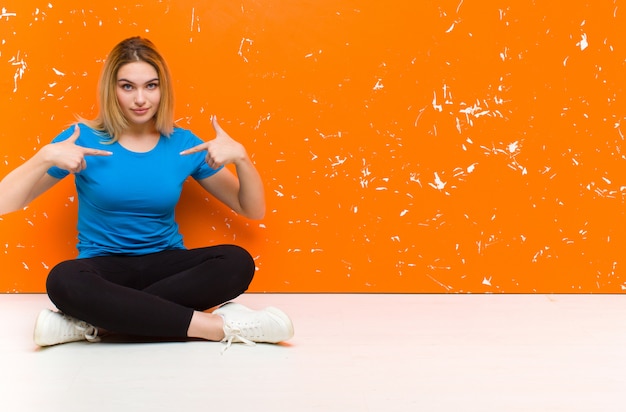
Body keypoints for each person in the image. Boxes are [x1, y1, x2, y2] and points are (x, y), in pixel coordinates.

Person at [0, 36, 293, 350]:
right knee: (63, 280)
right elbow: (5, 202)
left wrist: (242, 158)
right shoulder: (82, 139)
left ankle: (95, 323)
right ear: (112, 90)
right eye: (128, 86)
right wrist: (43, 157)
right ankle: (215, 328)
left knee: (237, 262)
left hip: (167, 267)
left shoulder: (183, 144)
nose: (140, 99)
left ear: (162, 89)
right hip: (103, 270)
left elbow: (252, 209)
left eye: (150, 86)